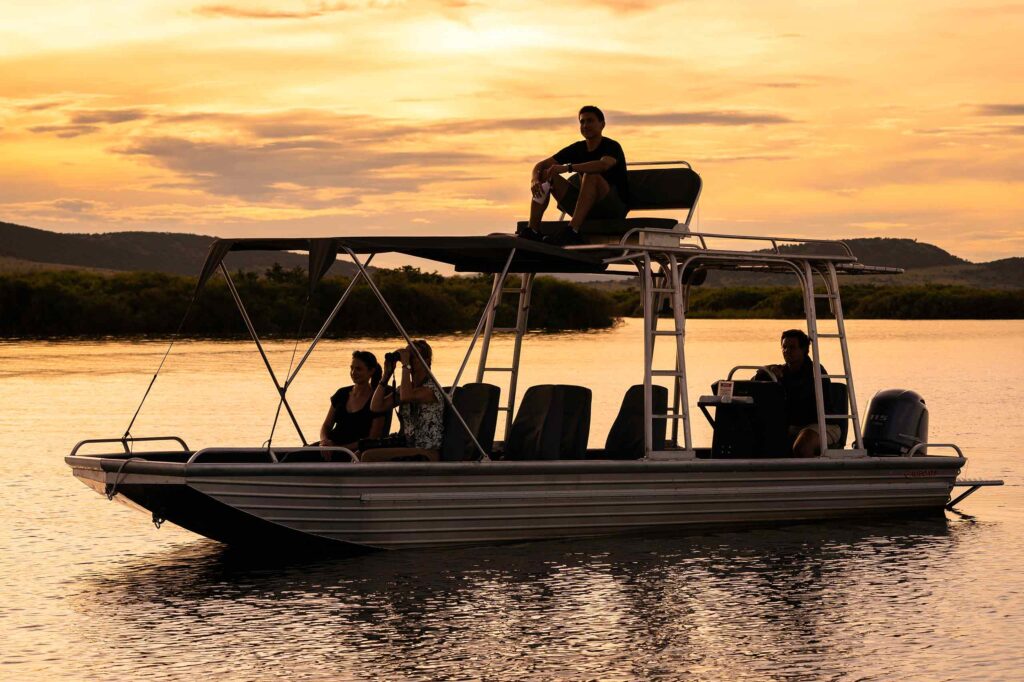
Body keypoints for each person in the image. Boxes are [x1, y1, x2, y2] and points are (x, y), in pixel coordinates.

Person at [518, 105, 629, 246]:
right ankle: (533, 230)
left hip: (611, 208)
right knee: (547, 174)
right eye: (582, 122)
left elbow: (603, 165)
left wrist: (568, 168)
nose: (585, 125)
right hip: (585, 208)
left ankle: (573, 231)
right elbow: (542, 165)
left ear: (602, 124)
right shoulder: (577, 148)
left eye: (590, 121)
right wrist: (534, 179)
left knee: (591, 175)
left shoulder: (612, 146)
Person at [754, 329, 841, 458]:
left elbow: (800, 397)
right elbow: (754, 384)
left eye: (792, 347)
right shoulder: (783, 370)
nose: (786, 351)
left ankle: (811, 477)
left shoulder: (815, 371)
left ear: (804, 350)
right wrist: (765, 371)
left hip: (823, 424)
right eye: (784, 347)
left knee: (803, 446)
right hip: (795, 426)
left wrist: (780, 381)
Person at [363, 339, 444, 462]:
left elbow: (406, 397)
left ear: (426, 362)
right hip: (408, 446)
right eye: (408, 355)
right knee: (360, 451)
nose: (410, 359)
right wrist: (386, 376)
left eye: (414, 356)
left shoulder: (431, 390)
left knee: (368, 456)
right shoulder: (406, 388)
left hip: (427, 452)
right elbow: (376, 407)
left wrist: (405, 364)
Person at [318, 350, 388, 460]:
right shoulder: (341, 393)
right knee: (289, 456)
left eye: (358, 369)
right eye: (351, 368)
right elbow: (326, 425)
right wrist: (324, 442)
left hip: (354, 451)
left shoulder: (377, 400)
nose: (353, 372)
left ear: (371, 371)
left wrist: (339, 448)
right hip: (330, 447)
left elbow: (373, 437)